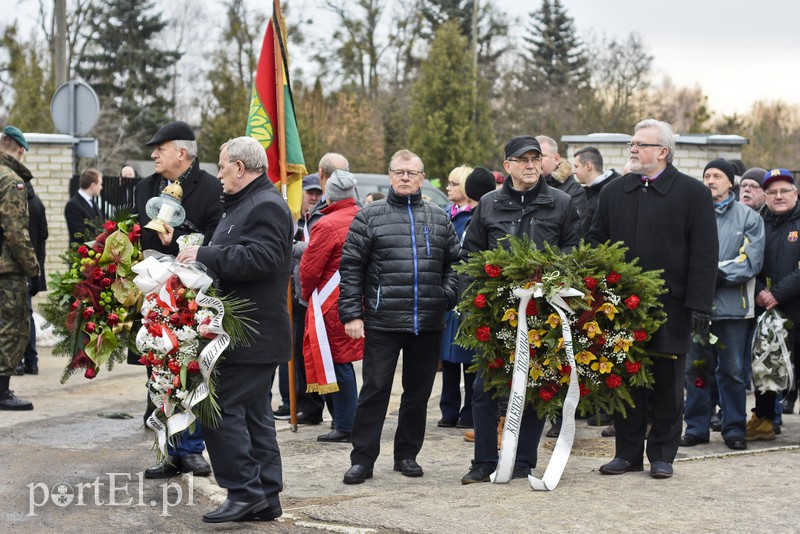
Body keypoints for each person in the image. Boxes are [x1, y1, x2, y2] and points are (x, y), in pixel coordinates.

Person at [588, 118, 718, 479]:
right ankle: (627, 453)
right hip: (621, 306)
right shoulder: (613, 192)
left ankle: (662, 454)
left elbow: (705, 254)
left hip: (671, 306)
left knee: (667, 384)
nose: (633, 149)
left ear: (663, 151)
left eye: (640, 144)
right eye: (631, 143)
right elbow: (595, 240)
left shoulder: (693, 194)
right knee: (625, 378)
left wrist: (698, 305)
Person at [175, 136, 292, 523]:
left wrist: (204, 254)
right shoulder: (245, 203)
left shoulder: (266, 205)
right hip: (242, 333)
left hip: (253, 334)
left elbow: (264, 258)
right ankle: (265, 496)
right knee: (255, 416)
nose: (219, 173)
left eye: (223, 165)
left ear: (240, 168)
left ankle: (244, 491)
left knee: (218, 408)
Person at [460, 135, 580, 484]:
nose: (530, 165)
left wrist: (552, 280)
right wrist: (472, 304)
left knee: (536, 386)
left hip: (542, 311)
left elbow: (573, 250)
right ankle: (483, 461)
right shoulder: (489, 203)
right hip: (494, 311)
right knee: (484, 388)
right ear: (507, 165)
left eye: (535, 159)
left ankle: (524, 461)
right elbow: (470, 255)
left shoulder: (561, 202)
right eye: (522, 160)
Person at [338, 149, 460, 484]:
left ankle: (407, 455)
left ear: (422, 178)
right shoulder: (369, 216)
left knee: (417, 394)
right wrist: (351, 313)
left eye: (412, 173)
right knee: (375, 391)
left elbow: (454, 264)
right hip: (383, 321)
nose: (405, 177)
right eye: (399, 172)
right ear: (390, 176)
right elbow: (351, 268)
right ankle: (362, 459)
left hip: (428, 321)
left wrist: (445, 295)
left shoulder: (438, 218)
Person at [133, 120, 222, 480]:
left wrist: (178, 239)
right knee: (159, 370)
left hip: (193, 298)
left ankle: (192, 449)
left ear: (182, 153)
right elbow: (140, 237)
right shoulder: (144, 187)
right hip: (156, 296)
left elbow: (216, 239)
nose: (154, 155)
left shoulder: (212, 188)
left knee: (190, 370)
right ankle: (169, 450)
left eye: (161, 149)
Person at [681, 159, 764, 451]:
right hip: (697, 308)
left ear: (731, 182)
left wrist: (715, 273)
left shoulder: (748, 217)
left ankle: (734, 429)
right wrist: (704, 275)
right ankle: (696, 427)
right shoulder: (691, 214)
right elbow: (681, 255)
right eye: (707, 175)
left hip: (732, 310)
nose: (710, 180)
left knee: (732, 373)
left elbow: (751, 260)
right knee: (695, 371)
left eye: (717, 175)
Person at [300, 170, 364, 443]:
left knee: (338, 361)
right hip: (360, 298)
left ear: (330, 196)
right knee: (343, 360)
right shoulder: (363, 216)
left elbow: (310, 269)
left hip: (331, 301)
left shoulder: (326, 224)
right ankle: (346, 420)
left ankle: (346, 424)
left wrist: (305, 295)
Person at [290, 154, 349, 425]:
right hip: (310, 295)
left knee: (331, 357)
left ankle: (341, 418)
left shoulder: (333, 214)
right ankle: (314, 408)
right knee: (310, 354)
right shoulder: (317, 212)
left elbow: (316, 255)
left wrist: (292, 248)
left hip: (324, 297)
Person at [437, 165, 488, 431]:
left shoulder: (476, 215)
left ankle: (469, 410)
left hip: (468, 291)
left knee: (468, 355)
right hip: (449, 290)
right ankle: (448, 409)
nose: (448, 188)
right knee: (447, 355)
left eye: (454, 183)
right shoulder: (445, 214)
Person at [751, 168, 800, 440]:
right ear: (766, 196)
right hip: (767, 312)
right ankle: (764, 421)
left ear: (795, 193)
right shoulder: (757, 223)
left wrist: (777, 293)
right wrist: (760, 291)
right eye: (772, 192)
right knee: (766, 365)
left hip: (795, 308)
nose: (778, 196)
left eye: (784, 191)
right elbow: (747, 259)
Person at [0, 126, 40, 410]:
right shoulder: (11, 180)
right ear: (21, 150)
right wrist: (32, 268)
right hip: (7, 270)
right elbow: (15, 232)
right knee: (12, 327)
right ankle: (1, 391)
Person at [16, 144, 49, 376]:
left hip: (15, 268)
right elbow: (44, 235)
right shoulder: (37, 203)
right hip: (33, 267)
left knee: (14, 317)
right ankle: (32, 360)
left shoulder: (14, 202)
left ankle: (17, 361)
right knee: (27, 314)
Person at [536, 135, 588, 235]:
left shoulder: (574, 191)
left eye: (542, 156)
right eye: (533, 157)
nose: (537, 161)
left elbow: (575, 230)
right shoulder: (523, 187)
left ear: (556, 158)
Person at [572, 146, 620, 233]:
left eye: (576, 166)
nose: (573, 171)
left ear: (588, 166)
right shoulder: (584, 192)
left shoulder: (615, 191)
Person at [64, 168, 103, 245]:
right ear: (93, 185)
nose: (101, 187)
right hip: (81, 250)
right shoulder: (73, 205)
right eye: (100, 184)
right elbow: (80, 233)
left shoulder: (92, 202)